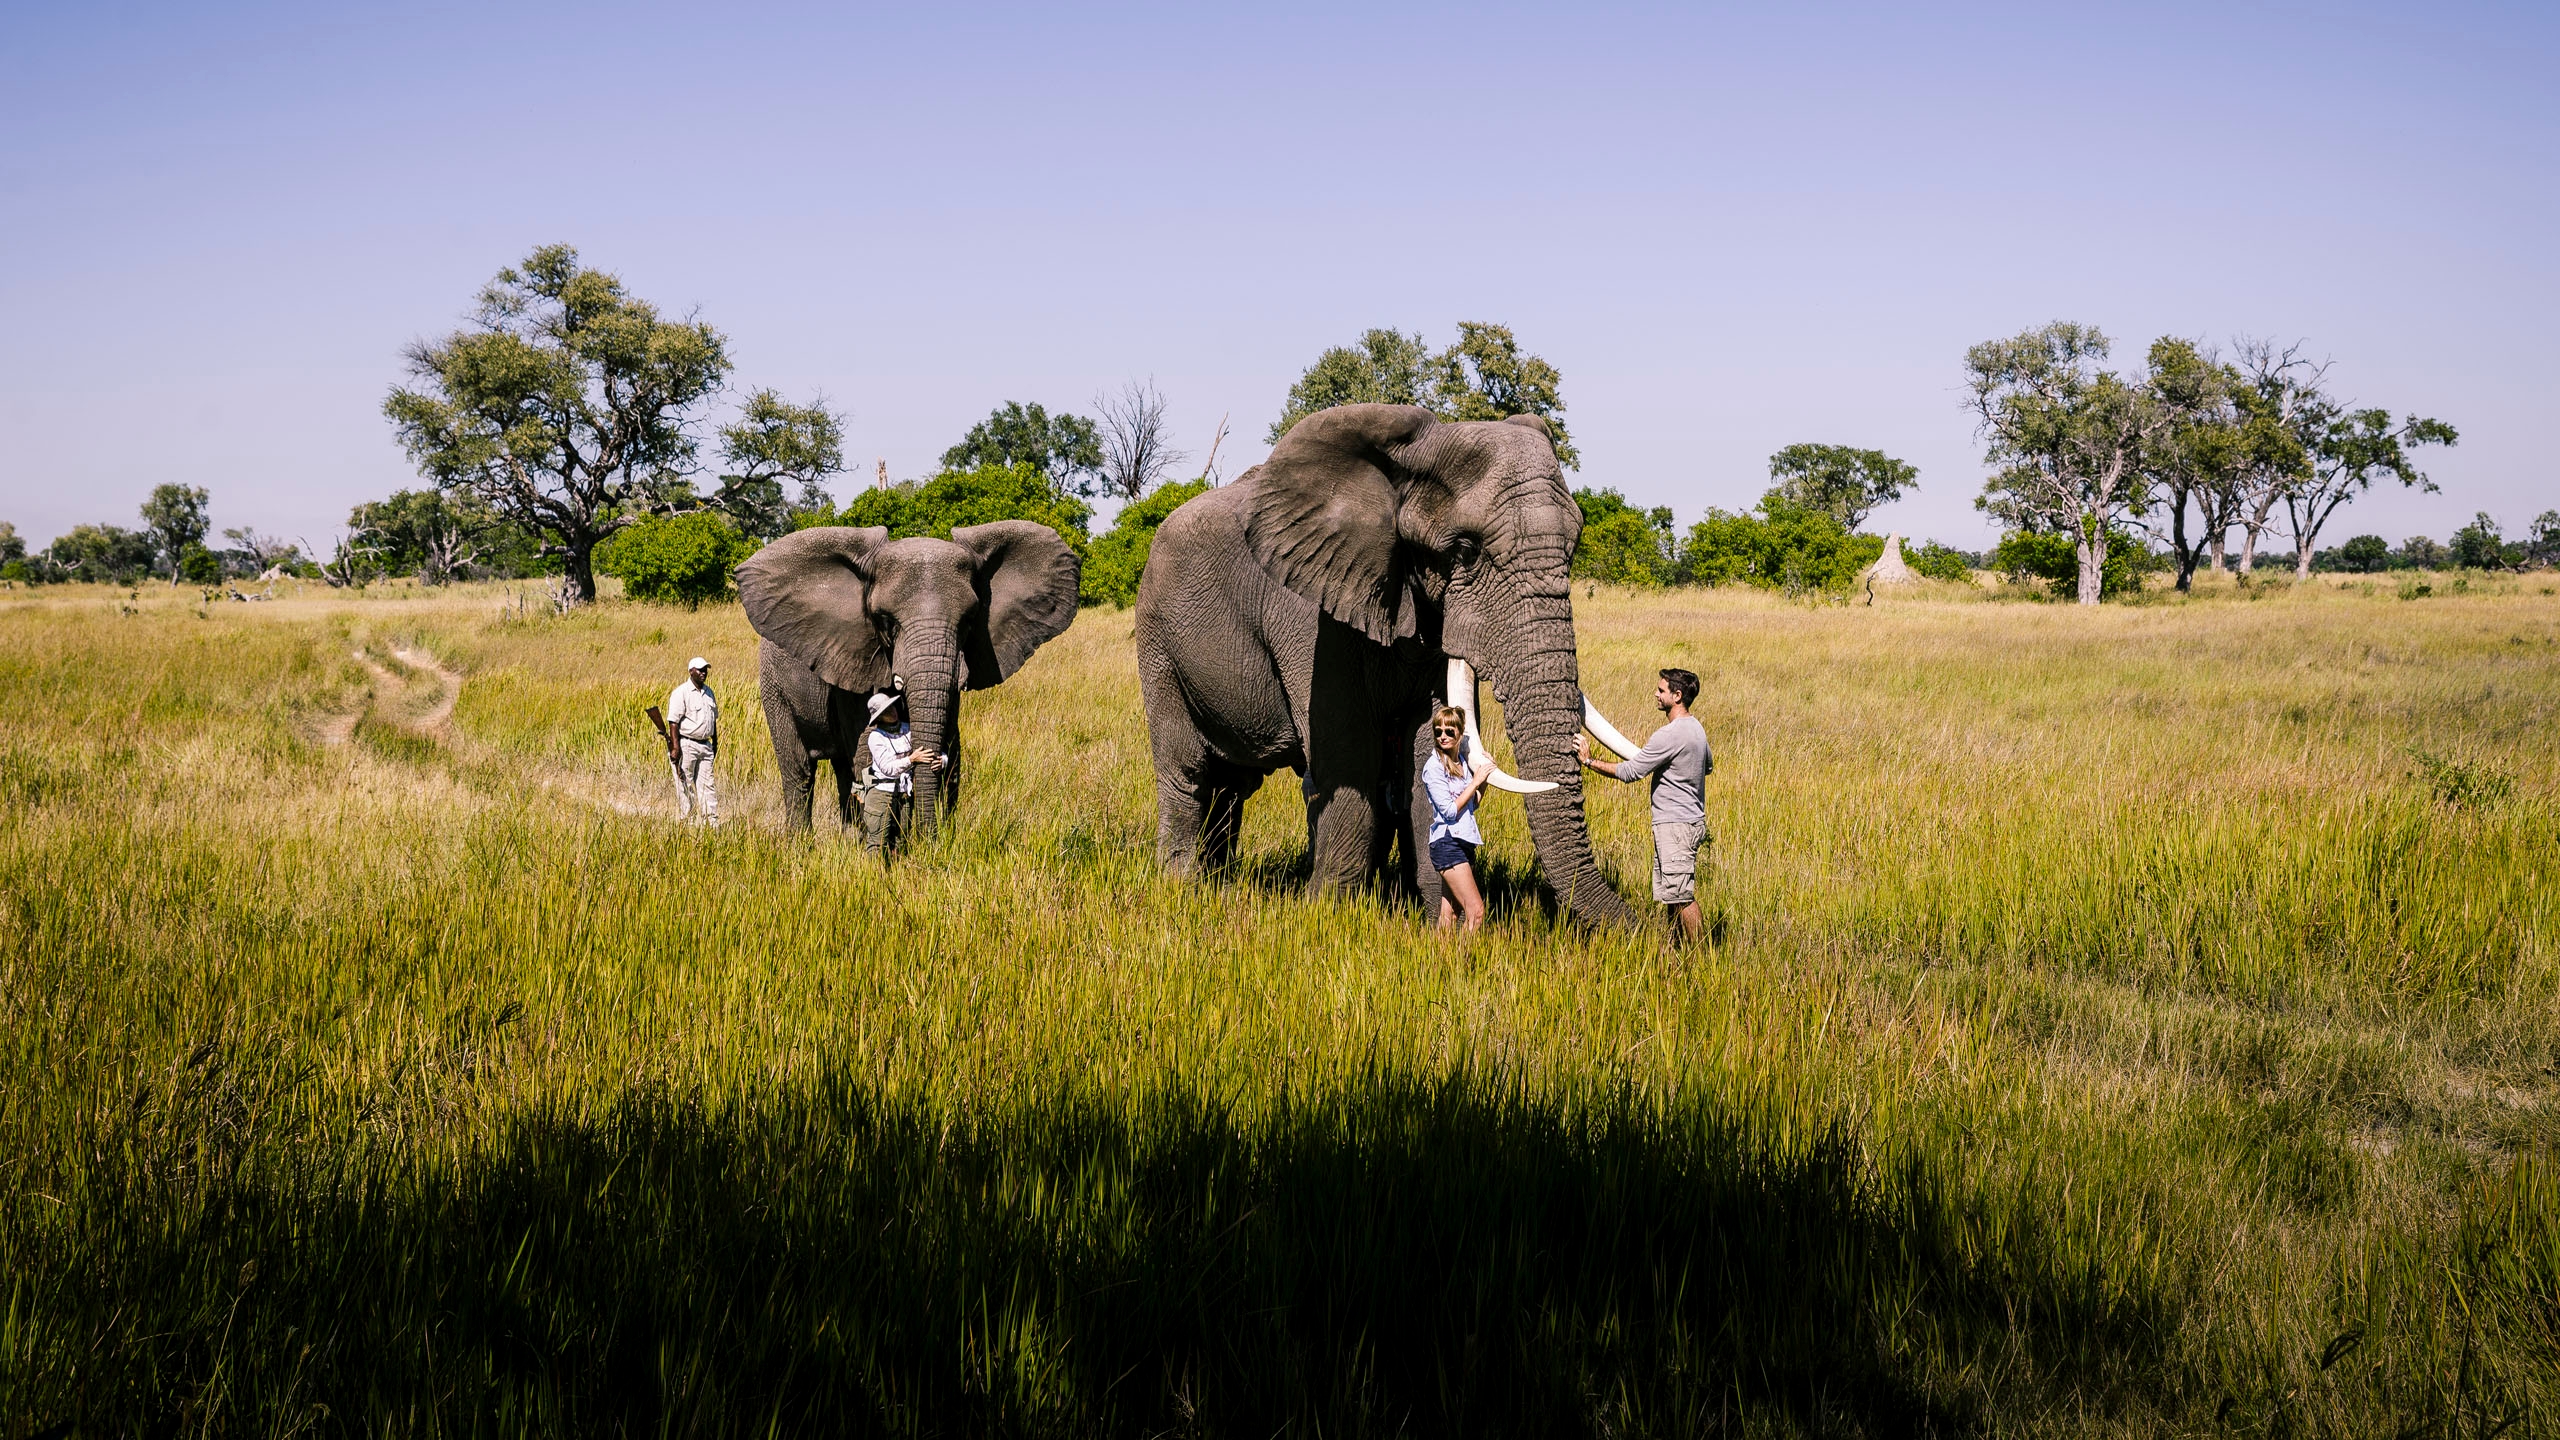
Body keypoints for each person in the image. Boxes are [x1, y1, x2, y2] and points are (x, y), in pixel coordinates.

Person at [1576, 667, 1712, 942]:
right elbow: (1707, 766)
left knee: (1682, 895)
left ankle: (1702, 955)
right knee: (1672, 893)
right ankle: (1676, 948)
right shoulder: (1697, 728)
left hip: (1675, 825)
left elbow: (1630, 772)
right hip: (1688, 821)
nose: (1656, 694)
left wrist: (1589, 762)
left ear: (1677, 695)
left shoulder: (1669, 734)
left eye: (1661, 691)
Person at [1421, 704, 1498, 932]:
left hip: (1463, 841)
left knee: (1451, 914)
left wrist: (1484, 776)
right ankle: (1463, 963)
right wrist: (1475, 781)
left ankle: (1441, 963)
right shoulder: (1433, 767)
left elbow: (1472, 804)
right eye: (1438, 732)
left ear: (1460, 733)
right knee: (1476, 912)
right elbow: (1449, 811)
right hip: (1447, 843)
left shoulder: (1462, 763)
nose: (1443, 736)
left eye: (1449, 731)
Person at [860, 691, 941, 858]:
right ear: (879, 717)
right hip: (881, 794)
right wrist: (911, 759)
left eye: (893, 707)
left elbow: (930, 750)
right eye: (887, 710)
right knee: (877, 843)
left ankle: (897, 877)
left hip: (904, 795)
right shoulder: (875, 737)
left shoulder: (908, 729)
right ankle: (874, 879)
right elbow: (888, 768)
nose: (893, 711)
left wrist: (942, 761)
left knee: (901, 841)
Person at [665, 656, 720, 825]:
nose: (704, 673)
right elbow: (673, 722)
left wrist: (715, 743)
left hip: (705, 745)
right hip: (687, 743)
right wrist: (675, 747)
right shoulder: (681, 692)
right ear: (691, 672)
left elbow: (713, 720)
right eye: (700, 670)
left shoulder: (709, 692)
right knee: (685, 785)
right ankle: (688, 822)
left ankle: (711, 825)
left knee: (707, 786)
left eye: (705, 670)